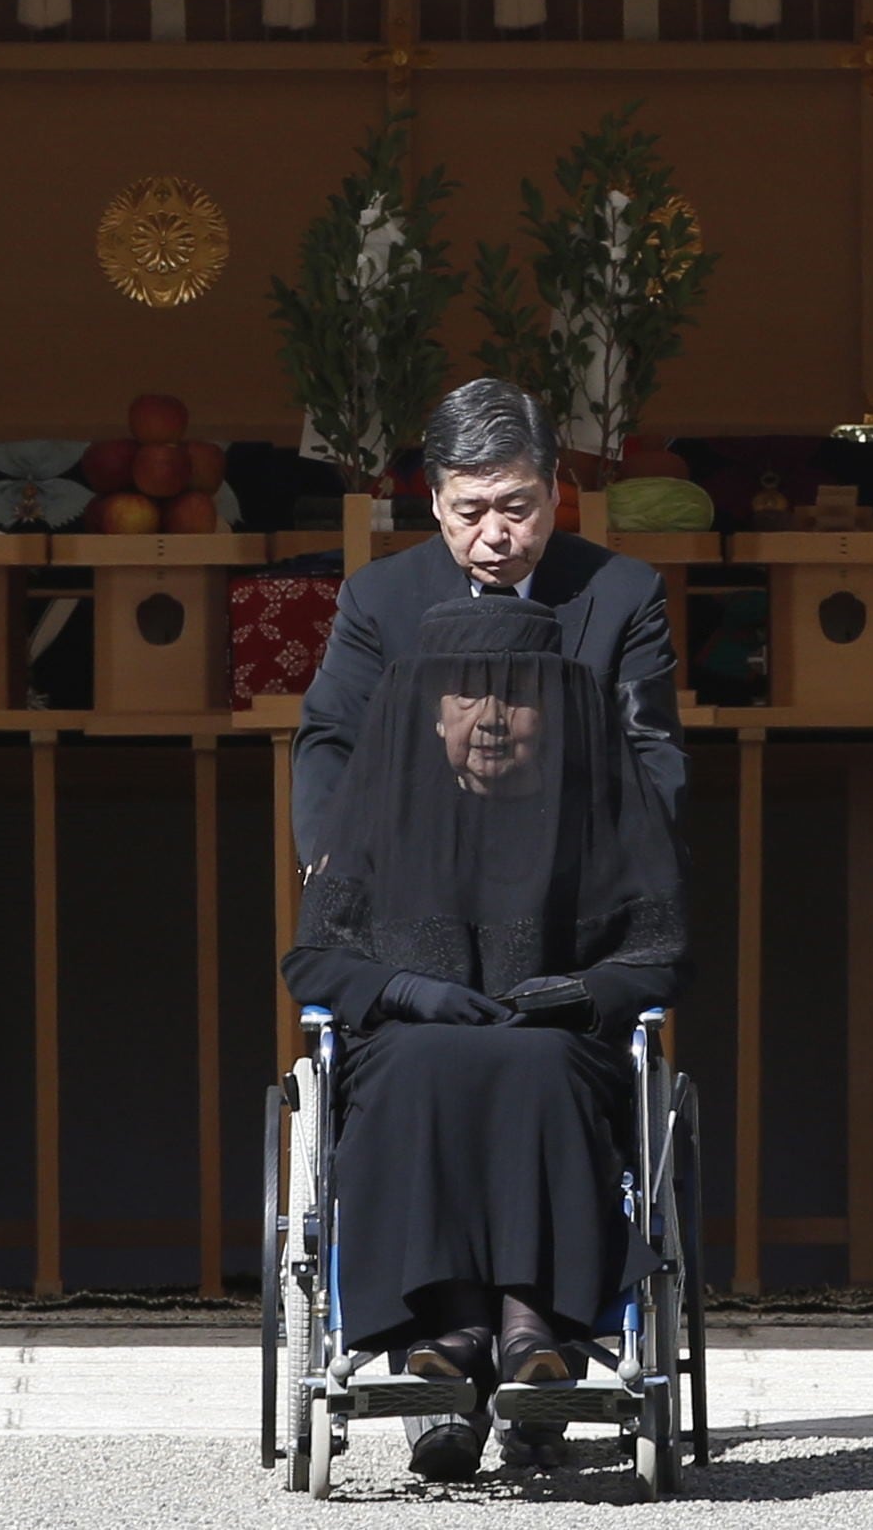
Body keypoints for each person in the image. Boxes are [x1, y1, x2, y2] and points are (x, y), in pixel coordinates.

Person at [282, 596, 689, 1483]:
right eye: (466, 697)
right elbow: (313, 960)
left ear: (555, 710)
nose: (491, 719)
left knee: (537, 1065)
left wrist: (582, 991)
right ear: (432, 712)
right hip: (409, 1043)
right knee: (425, 1064)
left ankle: (523, 1331)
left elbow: (660, 954)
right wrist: (400, 986)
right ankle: (462, 1333)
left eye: (516, 700)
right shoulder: (380, 813)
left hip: (562, 1043)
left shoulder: (602, 815)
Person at [292, 377, 686, 874]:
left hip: (577, 867)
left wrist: (631, 868)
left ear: (551, 488)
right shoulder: (378, 599)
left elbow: (650, 747)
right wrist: (332, 865)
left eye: (517, 508)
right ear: (436, 501)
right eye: (470, 511)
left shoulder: (623, 595)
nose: (496, 535)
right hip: (419, 867)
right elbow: (332, 738)